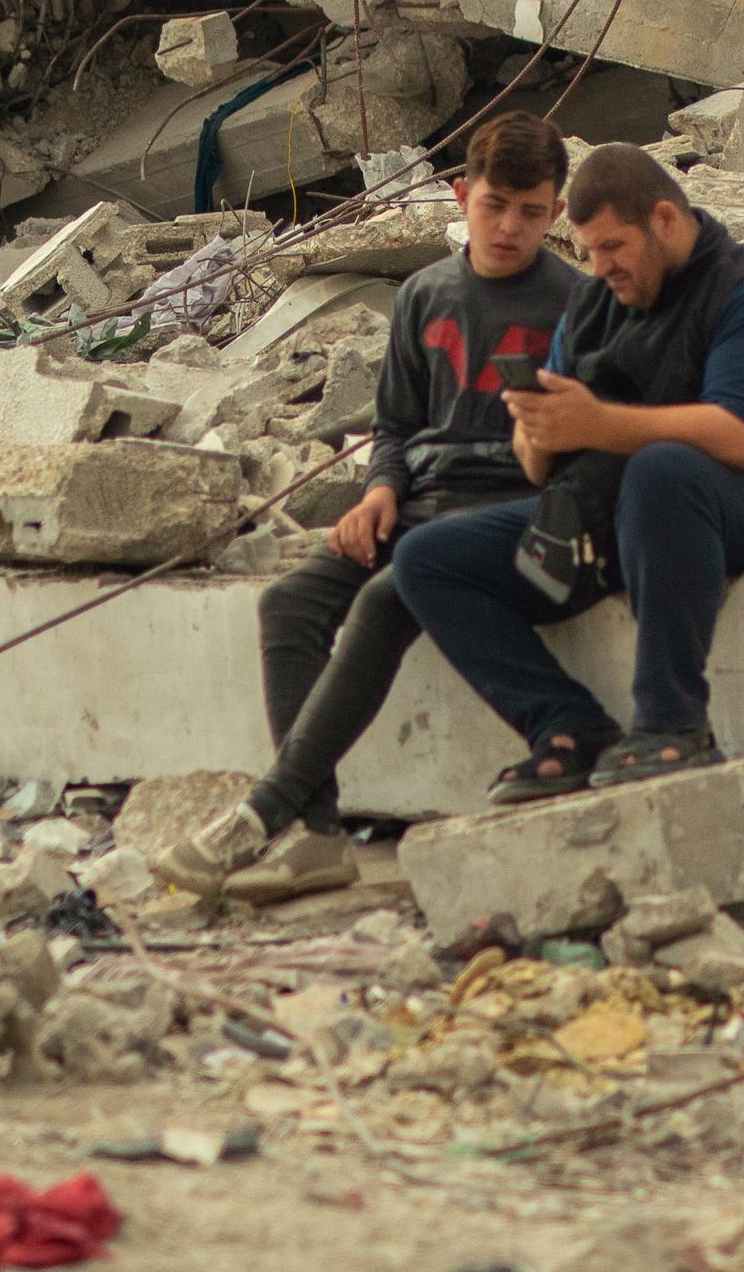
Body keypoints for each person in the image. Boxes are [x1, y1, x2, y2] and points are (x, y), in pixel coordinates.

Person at [161, 113, 575, 902]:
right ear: (461, 196)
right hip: (416, 505)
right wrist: (379, 491)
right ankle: (319, 835)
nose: (510, 227)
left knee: (391, 597)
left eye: (531, 211)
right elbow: (396, 425)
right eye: (495, 205)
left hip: (504, 517)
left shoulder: (575, 305)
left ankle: (265, 810)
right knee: (290, 603)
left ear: (556, 212)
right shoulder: (425, 295)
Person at [389, 142, 744, 801]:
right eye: (589, 251)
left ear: (664, 220)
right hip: (610, 519)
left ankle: (672, 724)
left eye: (614, 247)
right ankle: (566, 728)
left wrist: (599, 425)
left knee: (664, 469)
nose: (600, 267)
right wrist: (541, 429)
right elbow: (537, 467)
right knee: (428, 557)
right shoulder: (597, 300)